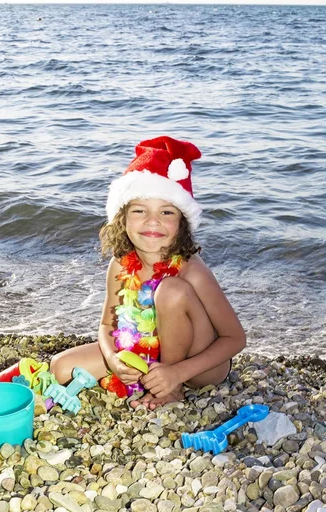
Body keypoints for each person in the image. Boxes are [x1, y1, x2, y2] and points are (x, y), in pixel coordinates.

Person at [50, 136, 246, 409]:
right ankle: (155, 378)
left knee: (170, 290)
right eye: (140, 210)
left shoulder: (192, 270)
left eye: (166, 212)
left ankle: (172, 388)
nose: (152, 221)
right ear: (122, 219)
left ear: (182, 223)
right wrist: (113, 359)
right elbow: (107, 326)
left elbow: (235, 339)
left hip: (198, 367)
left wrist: (177, 373)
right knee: (60, 368)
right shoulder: (120, 265)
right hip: (144, 349)